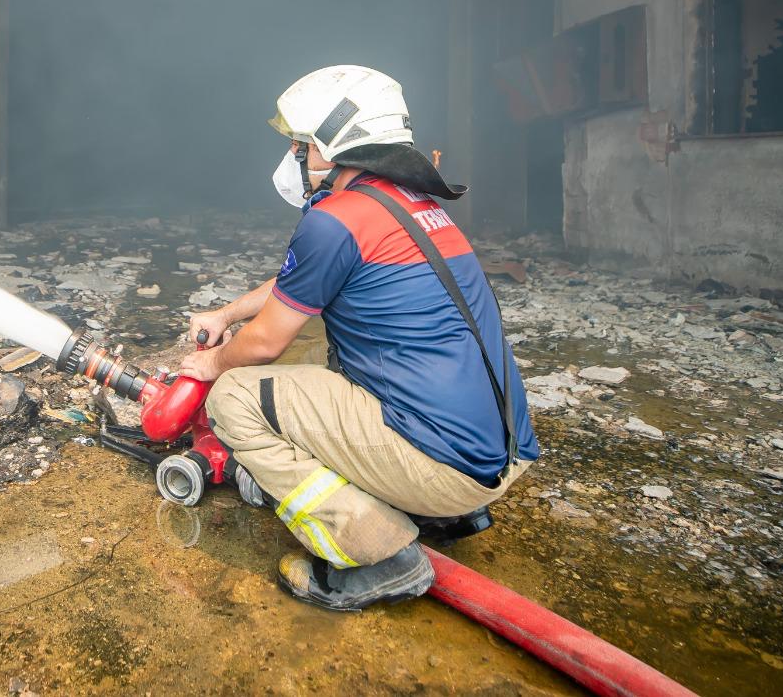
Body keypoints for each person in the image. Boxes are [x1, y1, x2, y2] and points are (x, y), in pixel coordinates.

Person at [178, 65, 540, 611]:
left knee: (236, 395)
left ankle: (377, 553)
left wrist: (210, 365)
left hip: (448, 467)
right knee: (309, 360)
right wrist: (228, 312)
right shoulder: (408, 207)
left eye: (303, 144)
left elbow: (262, 346)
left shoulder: (334, 219)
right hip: (500, 450)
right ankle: (436, 508)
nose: (295, 156)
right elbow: (300, 282)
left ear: (338, 143)